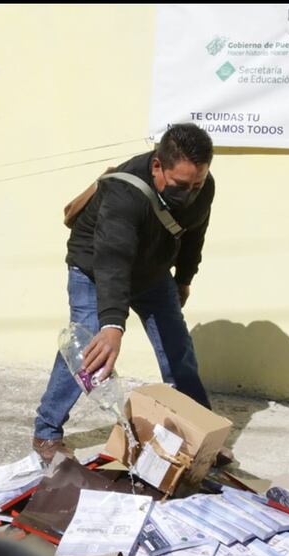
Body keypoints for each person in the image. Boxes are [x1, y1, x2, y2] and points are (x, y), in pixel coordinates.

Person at [32, 123, 215, 462]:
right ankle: (47, 432)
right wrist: (113, 324)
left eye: (196, 184)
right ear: (158, 165)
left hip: (152, 271)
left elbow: (194, 234)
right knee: (87, 347)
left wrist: (184, 279)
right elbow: (112, 258)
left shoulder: (202, 186)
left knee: (178, 348)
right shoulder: (124, 192)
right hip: (94, 269)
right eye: (180, 186)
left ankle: (200, 433)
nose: (188, 193)